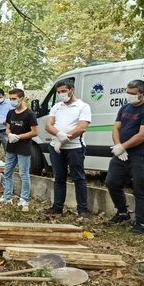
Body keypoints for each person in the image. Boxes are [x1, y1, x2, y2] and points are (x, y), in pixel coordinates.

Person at [104, 80, 144, 234]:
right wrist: (119, 147)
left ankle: (141, 223)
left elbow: (143, 135)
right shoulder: (125, 108)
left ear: (142, 94)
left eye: (133, 94)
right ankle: (122, 213)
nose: (129, 96)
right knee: (112, 182)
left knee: (140, 189)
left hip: (140, 155)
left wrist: (123, 146)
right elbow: (116, 128)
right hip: (122, 155)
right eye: (128, 93)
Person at [43, 79, 92, 218]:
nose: (61, 94)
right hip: (56, 147)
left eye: (63, 91)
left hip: (75, 147)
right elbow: (48, 125)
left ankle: (82, 210)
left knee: (78, 178)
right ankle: (57, 207)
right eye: (58, 92)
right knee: (59, 177)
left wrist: (65, 139)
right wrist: (58, 135)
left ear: (72, 90)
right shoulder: (56, 106)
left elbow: (82, 127)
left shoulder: (82, 106)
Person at [0, 89, 39, 211]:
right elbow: (7, 128)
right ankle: (7, 196)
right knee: (7, 172)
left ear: (21, 98)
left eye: (14, 99)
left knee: (24, 174)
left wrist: (19, 136)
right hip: (11, 147)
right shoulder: (10, 113)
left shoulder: (30, 114)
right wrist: (9, 135)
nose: (12, 101)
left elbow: (35, 132)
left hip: (23, 147)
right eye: (11, 99)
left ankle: (24, 199)